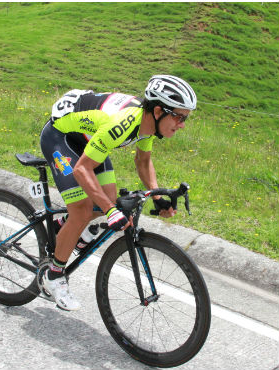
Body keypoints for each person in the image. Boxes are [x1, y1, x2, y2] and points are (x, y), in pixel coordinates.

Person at [39, 75, 197, 310]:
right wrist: (110, 211)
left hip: (87, 139)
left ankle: (62, 227)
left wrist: (157, 197)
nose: (182, 124)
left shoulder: (148, 126)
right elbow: (82, 169)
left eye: (185, 118)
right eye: (178, 116)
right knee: (84, 211)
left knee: (109, 200)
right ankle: (53, 275)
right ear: (157, 111)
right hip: (60, 137)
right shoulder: (123, 124)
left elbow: (143, 163)